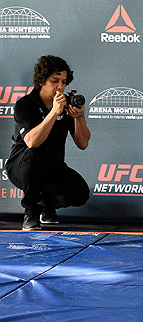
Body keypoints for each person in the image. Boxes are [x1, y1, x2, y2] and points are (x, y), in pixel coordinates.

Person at [6, 55, 91, 231]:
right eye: (55, 81)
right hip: (21, 167)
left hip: (52, 166)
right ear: (42, 80)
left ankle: (47, 205)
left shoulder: (66, 105)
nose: (60, 87)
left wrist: (79, 117)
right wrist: (53, 112)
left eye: (64, 82)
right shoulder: (25, 104)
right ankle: (31, 212)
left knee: (80, 193)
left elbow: (82, 143)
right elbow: (32, 142)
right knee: (35, 154)